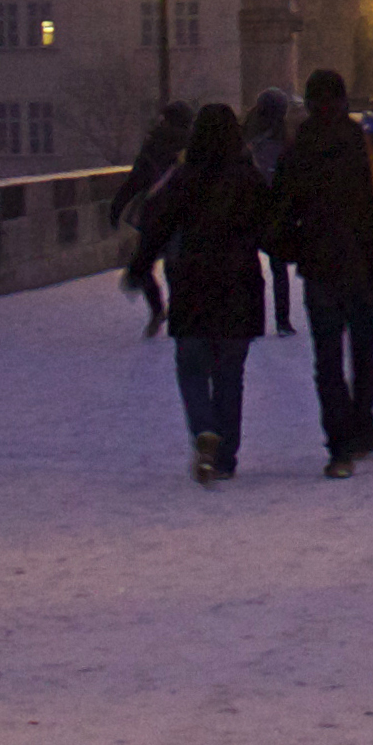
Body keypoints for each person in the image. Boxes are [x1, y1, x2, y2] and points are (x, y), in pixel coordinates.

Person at [267, 69, 373, 479]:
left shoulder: (297, 154)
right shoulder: (369, 146)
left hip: (320, 269)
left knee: (327, 361)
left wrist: (297, 250)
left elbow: (275, 219)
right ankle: (363, 424)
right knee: (365, 355)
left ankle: (338, 446)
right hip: (366, 265)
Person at [128, 101, 279, 483]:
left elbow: (157, 227)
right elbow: (272, 231)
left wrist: (140, 266)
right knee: (231, 373)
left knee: (192, 367)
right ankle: (226, 457)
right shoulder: (250, 179)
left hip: (192, 283)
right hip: (239, 285)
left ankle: (203, 429)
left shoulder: (184, 178)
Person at [107, 100, 186, 335]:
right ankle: (177, 312)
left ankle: (156, 310)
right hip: (183, 214)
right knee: (176, 265)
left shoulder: (154, 144)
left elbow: (136, 181)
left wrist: (117, 207)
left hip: (155, 215)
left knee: (143, 264)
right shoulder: (194, 145)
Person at [247, 85, 300, 329]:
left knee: (250, 269)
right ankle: (283, 320)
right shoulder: (287, 140)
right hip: (277, 211)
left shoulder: (245, 137)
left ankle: (254, 318)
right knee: (279, 269)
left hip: (250, 210)